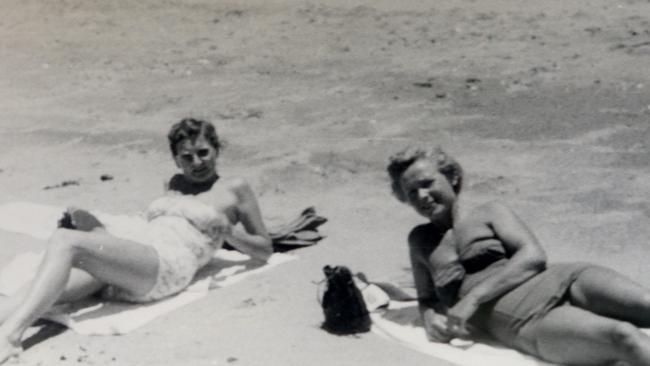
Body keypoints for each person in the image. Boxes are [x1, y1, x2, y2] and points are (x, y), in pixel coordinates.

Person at [0, 118, 272, 363]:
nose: (197, 163)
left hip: (167, 266)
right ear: (176, 160)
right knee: (39, 286)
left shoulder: (235, 188)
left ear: (216, 150)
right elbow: (159, 225)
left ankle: (12, 336)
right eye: (187, 157)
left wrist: (228, 232)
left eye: (203, 153)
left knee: (65, 241)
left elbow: (264, 250)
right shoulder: (175, 182)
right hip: (139, 257)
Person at [387, 146, 650, 366]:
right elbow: (426, 298)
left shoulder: (490, 212)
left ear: (452, 177)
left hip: (566, 280)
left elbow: (533, 256)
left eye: (427, 183)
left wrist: (473, 299)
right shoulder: (420, 240)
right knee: (623, 336)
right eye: (411, 192)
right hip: (525, 319)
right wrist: (430, 317)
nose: (422, 196)